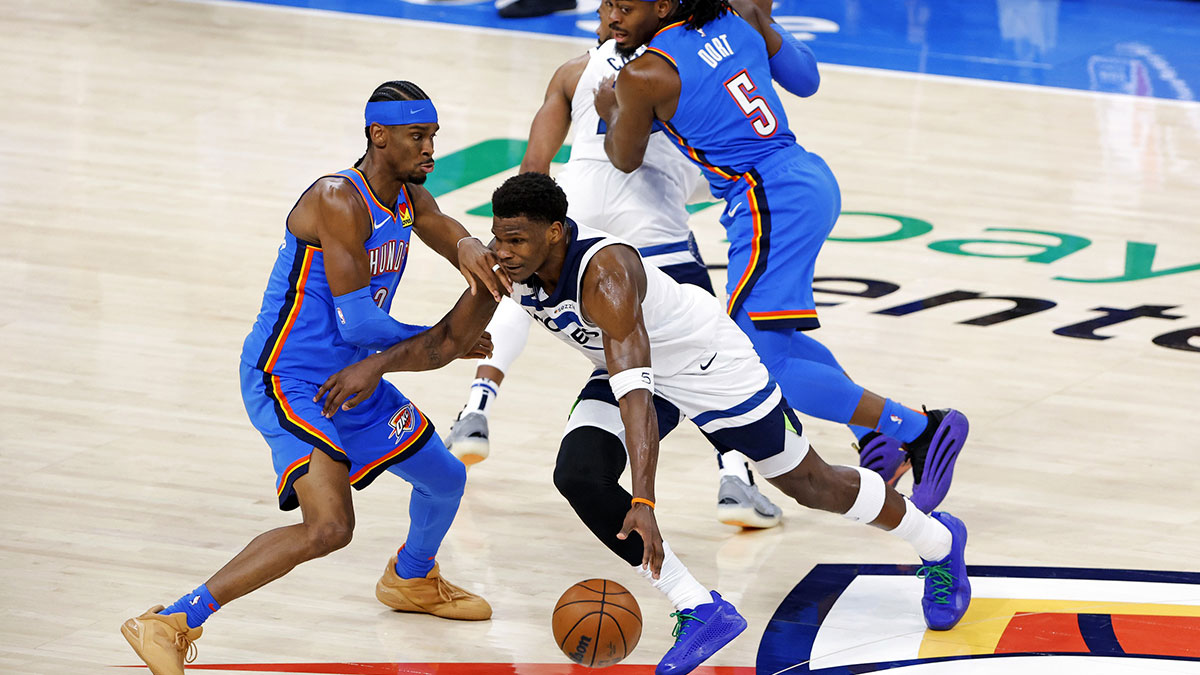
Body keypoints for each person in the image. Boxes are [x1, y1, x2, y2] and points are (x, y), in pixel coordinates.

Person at [319, 173, 972, 675]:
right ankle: (698, 605)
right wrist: (374, 366)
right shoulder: (510, 271)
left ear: (557, 232)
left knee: (814, 485)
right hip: (631, 371)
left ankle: (938, 541)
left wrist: (647, 497)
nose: (503, 251)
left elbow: (637, 393)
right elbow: (446, 341)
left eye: (517, 239)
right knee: (577, 472)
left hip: (709, 365)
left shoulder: (605, 274)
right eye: (498, 236)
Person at [120, 81, 507, 675]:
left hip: (355, 377)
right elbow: (360, 322)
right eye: (417, 137)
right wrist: (439, 341)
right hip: (290, 379)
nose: (430, 150)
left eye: (433, 137)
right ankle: (170, 621)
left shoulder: (409, 195)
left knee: (445, 478)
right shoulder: (337, 198)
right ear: (379, 136)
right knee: (329, 527)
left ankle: (410, 579)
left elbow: (445, 228)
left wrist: (472, 249)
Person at [594, 0, 969, 513]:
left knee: (759, 361)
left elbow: (624, 156)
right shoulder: (735, 13)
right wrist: (762, 25)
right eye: (607, 3)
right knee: (776, 341)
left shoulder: (644, 73)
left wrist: (612, 109)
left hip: (766, 199)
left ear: (662, 5)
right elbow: (807, 77)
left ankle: (921, 429)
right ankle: (875, 436)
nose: (610, 13)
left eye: (623, 4)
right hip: (804, 177)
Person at [444, 1, 783, 528]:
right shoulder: (677, 66)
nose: (611, 14)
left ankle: (477, 407)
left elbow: (532, 171)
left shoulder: (573, 73)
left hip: (576, 222)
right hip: (655, 234)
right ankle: (734, 475)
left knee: (518, 284)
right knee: (703, 349)